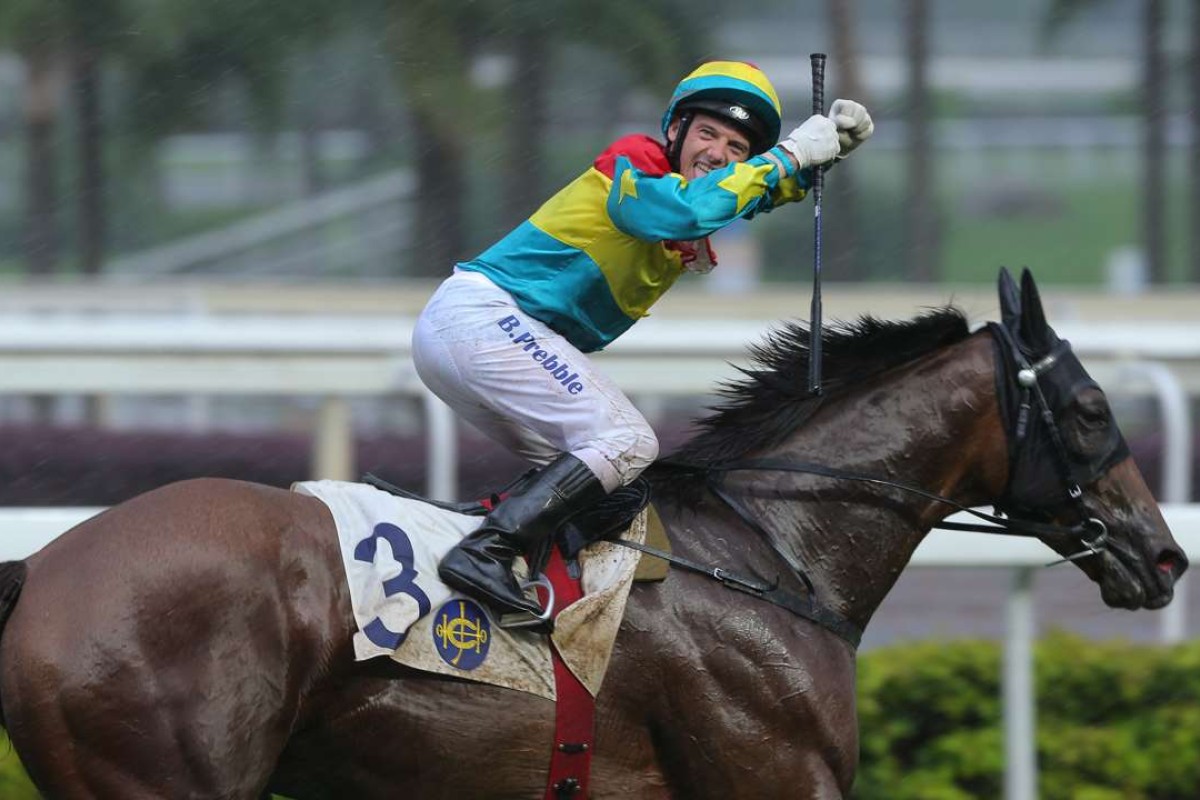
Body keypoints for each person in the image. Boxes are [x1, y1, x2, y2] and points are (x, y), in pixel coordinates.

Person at [412, 60, 874, 625]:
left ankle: (515, 578)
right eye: (707, 133)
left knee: (606, 493)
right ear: (675, 130)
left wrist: (825, 157)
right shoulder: (634, 163)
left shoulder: (693, 193)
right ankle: (484, 552)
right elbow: (689, 210)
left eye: (735, 147)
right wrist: (789, 156)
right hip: (482, 320)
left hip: (479, 337)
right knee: (627, 440)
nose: (718, 153)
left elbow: (746, 196)